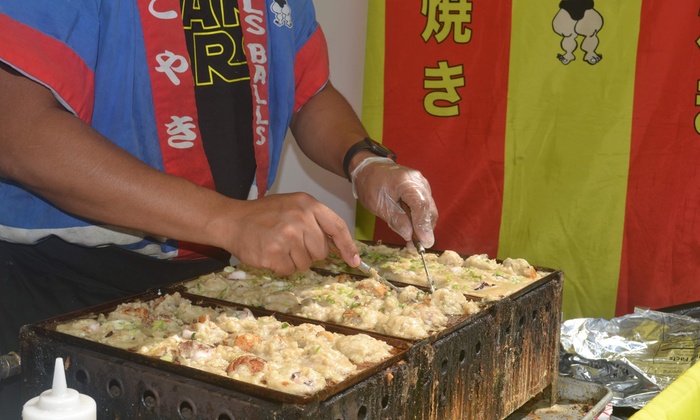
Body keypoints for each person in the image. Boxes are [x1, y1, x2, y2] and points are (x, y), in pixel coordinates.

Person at [0, 0, 438, 416]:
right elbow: (18, 131)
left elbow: (308, 90)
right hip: (54, 286)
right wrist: (227, 218)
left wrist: (364, 161)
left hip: (207, 290)